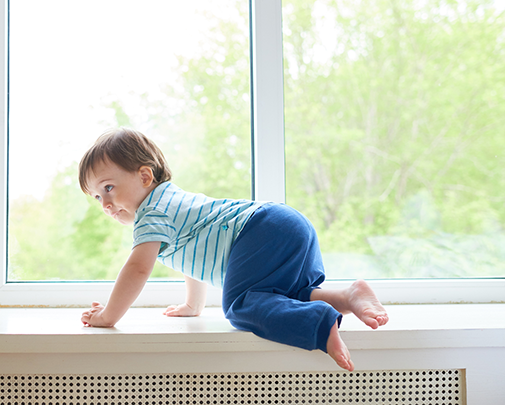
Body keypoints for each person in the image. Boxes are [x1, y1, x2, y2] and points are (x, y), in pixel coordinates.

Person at [77, 127, 389, 371]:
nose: (105, 204)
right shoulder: (170, 202)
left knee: (240, 307)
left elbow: (137, 269)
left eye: (109, 188)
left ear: (145, 176)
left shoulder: (152, 215)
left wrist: (108, 316)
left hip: (262, 229)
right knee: (279, 299)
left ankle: (321, 325)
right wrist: (193, 305)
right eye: (96, 197)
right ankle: (349, 296)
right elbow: (192, 256)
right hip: (284, 223)